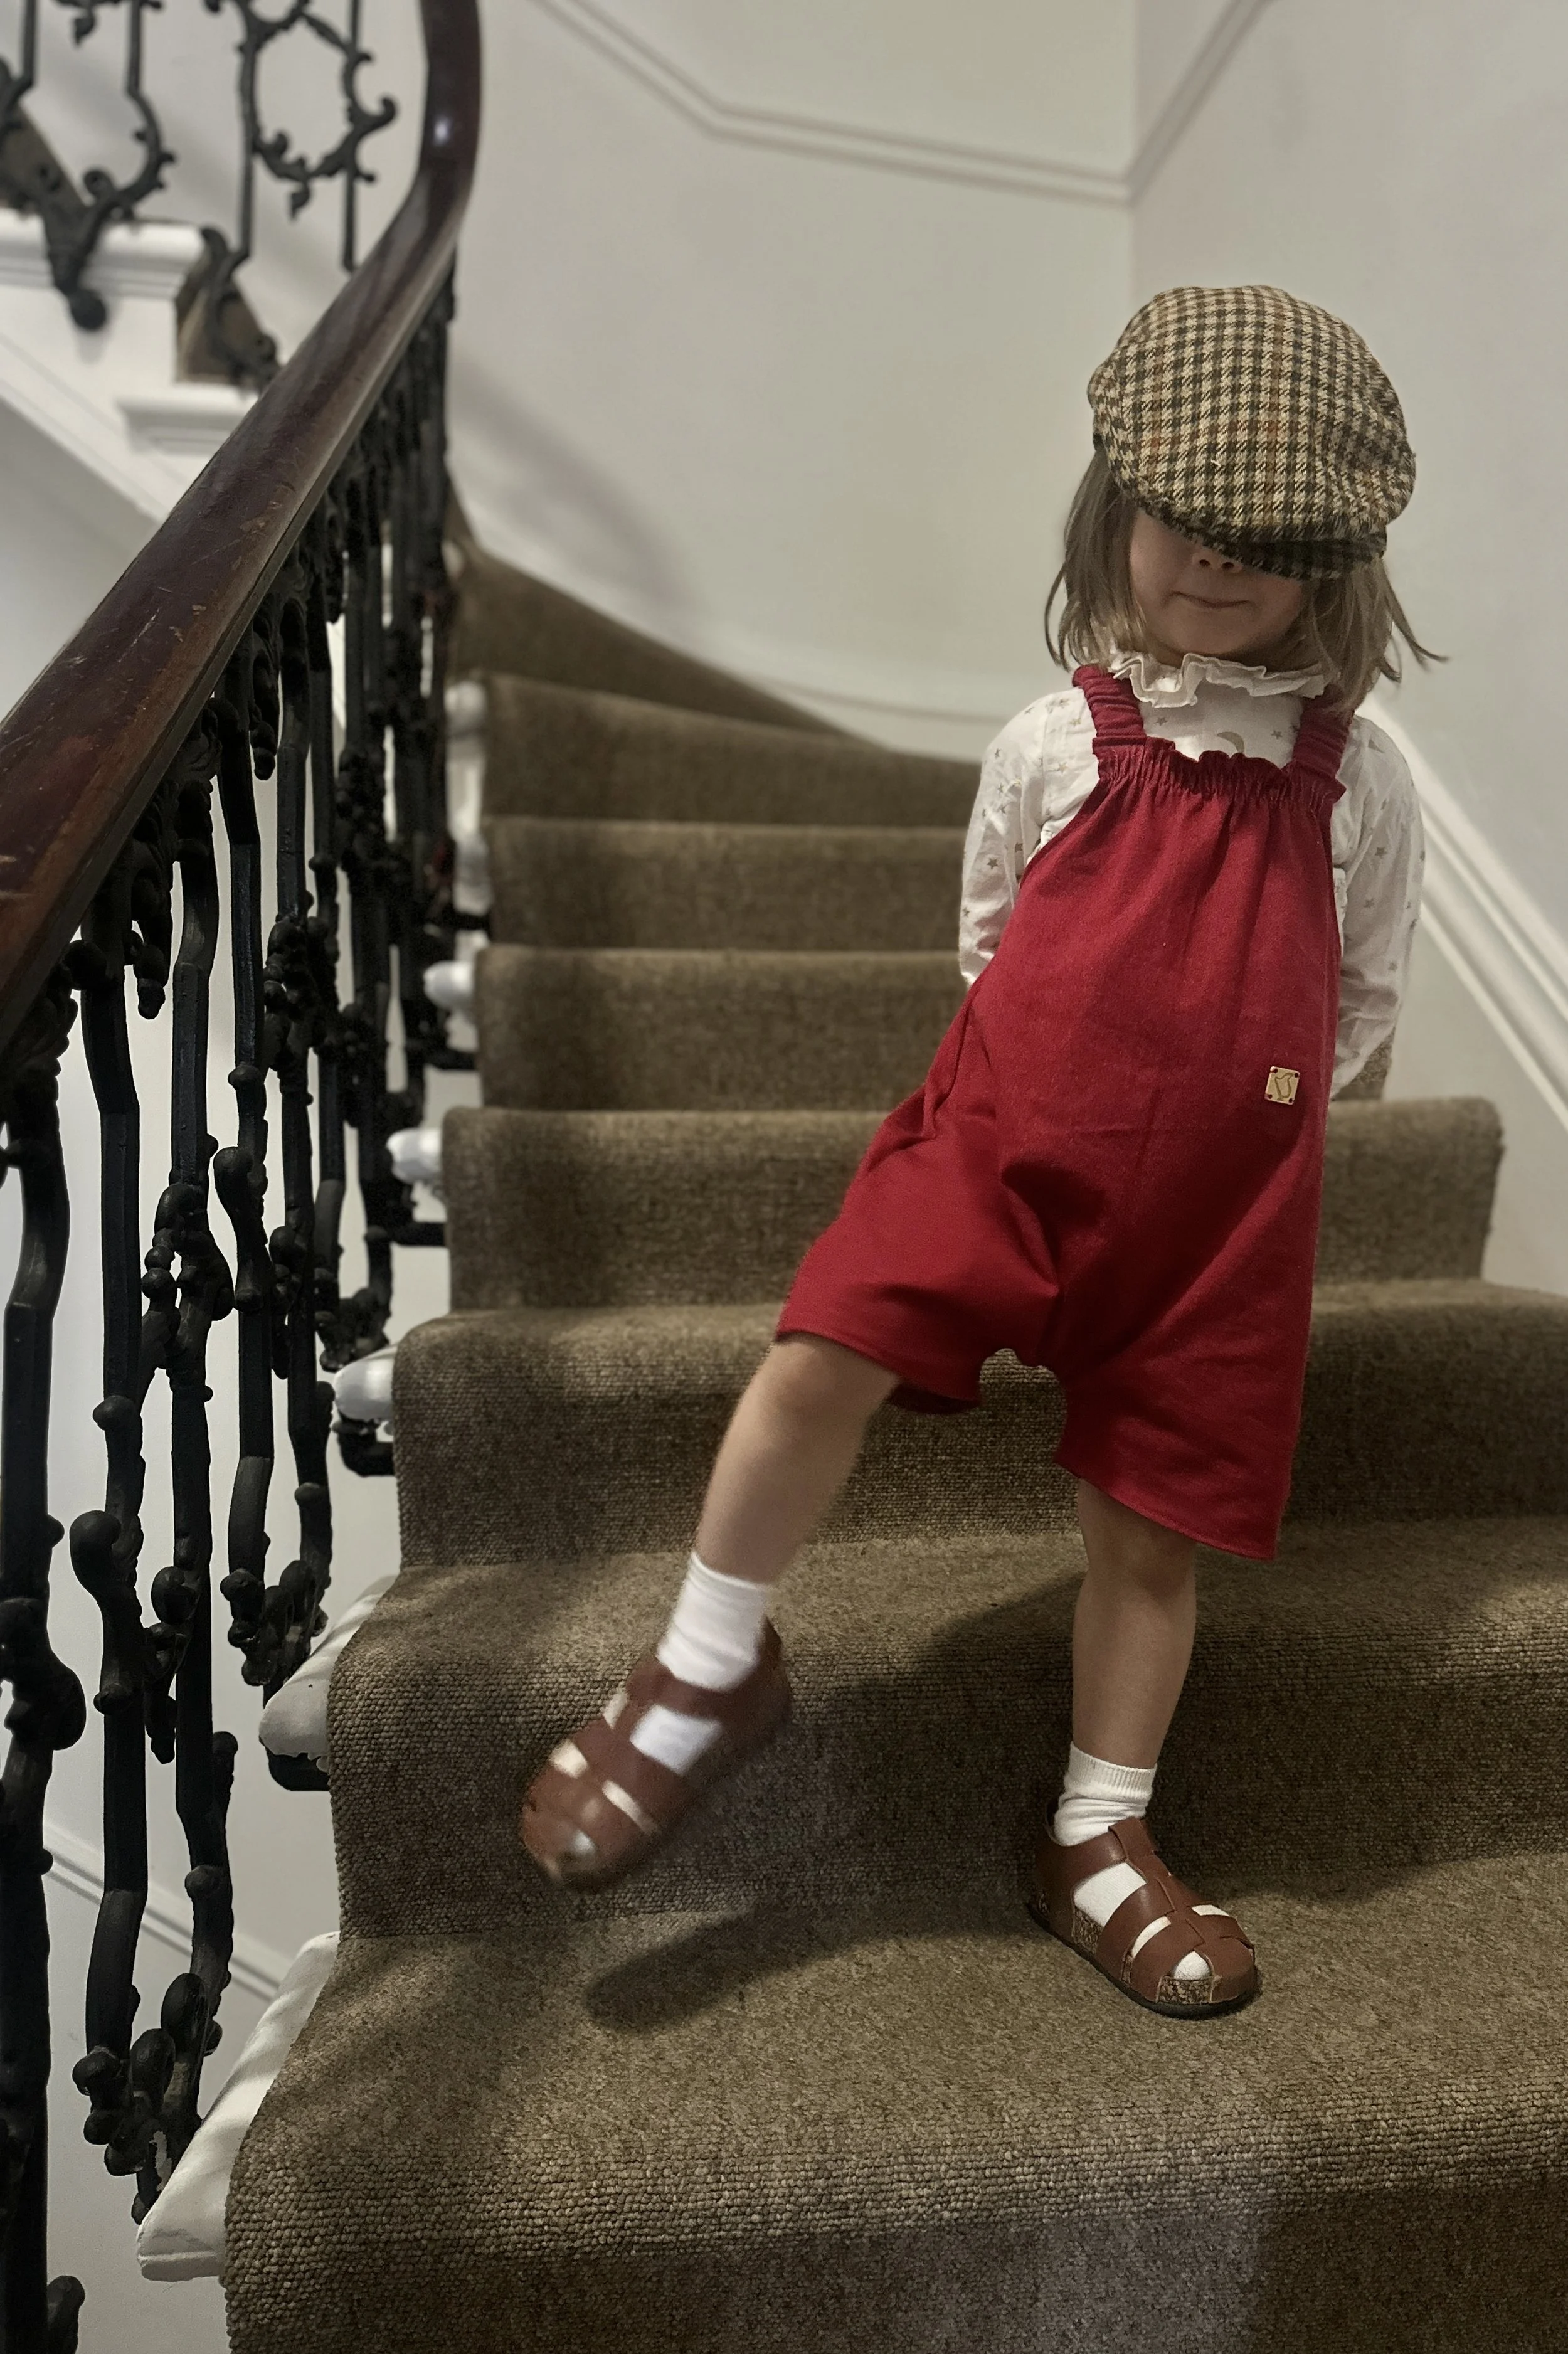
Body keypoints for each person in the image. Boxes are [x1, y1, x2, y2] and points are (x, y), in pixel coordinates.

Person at [519, 284, 1431, 2018]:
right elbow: (992, 940)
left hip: (1217, 1218)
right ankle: (710, 1658)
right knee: (821, 1347)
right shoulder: (1050, 741)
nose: (1214, 560)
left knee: (1149, 1534)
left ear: (1335, 563)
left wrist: (1238, 1125)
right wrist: (1063, 1088)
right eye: (1180, 516)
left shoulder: (1356, 782)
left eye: (1267, 536)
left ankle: (1099, 1828)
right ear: (1113, 510)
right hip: (1005, 1143)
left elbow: (1360, 994)